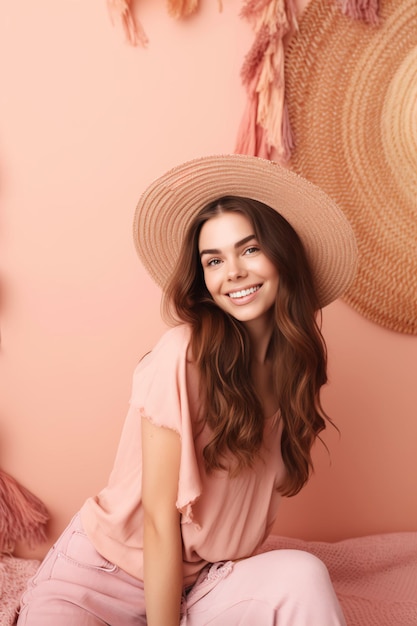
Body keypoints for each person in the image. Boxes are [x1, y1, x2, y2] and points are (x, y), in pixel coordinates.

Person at [17, 154, 358, 626]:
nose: (233, 271)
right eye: (214, 260)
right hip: (97, 581)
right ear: (204, 280)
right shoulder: (183, 355)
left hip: (202, 585)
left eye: (251, 249)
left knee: (304, 575)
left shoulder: (293, 370)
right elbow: (160, 521)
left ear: (284, 256)